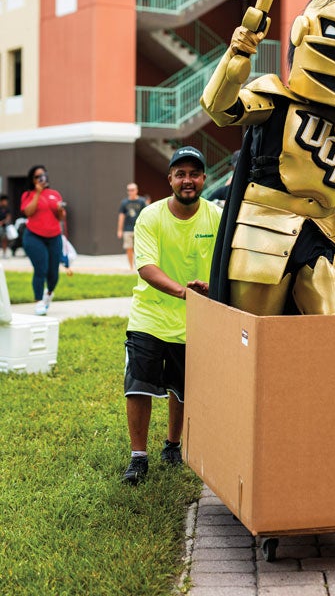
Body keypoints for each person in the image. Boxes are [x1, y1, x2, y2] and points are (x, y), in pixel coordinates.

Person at [201, 0, 335, 315]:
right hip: (262, 233)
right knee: (254, 338)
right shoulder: (273, 100)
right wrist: (236, 55)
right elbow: (220, 108)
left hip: (325, 238)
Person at [122, 146, 222, 485]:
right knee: (139, 385)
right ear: (170, 180)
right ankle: (138, 457)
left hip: (195, 320)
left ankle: (172, 445)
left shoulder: (216, 217)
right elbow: (147, 267)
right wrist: (183, 292)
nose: (188, 180)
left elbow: (228, 264)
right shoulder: (150, 216)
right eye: (181, 174)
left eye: (194, 173)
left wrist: (212, 286)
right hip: (150, 315)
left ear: (204, 178)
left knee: (182, 389)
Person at [20, 165, 67, 316]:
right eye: (37, 176)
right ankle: (39, 301)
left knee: (53, 273)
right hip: (34, 236)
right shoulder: (28, 194)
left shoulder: (54, 194)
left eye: (43, 175)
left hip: (54, 236)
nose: (41, 178)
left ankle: (48, 293)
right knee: (41, 269)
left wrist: (60, 210)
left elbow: (61, 217)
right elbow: (28, 212)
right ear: (32, 180)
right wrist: (37, 193)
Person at [117, 183, 146, 270]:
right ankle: (131, 267)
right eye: (129, 190)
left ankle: (139, 266)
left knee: (139, 249)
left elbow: (146, 214)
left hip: (139, 229)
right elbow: (121, 216)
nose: (130, 192)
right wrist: (119, 230)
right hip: (128, 229)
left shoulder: (142, 201)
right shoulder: (124, 202)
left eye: (132, 190)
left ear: (136, 190)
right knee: (129, 248)